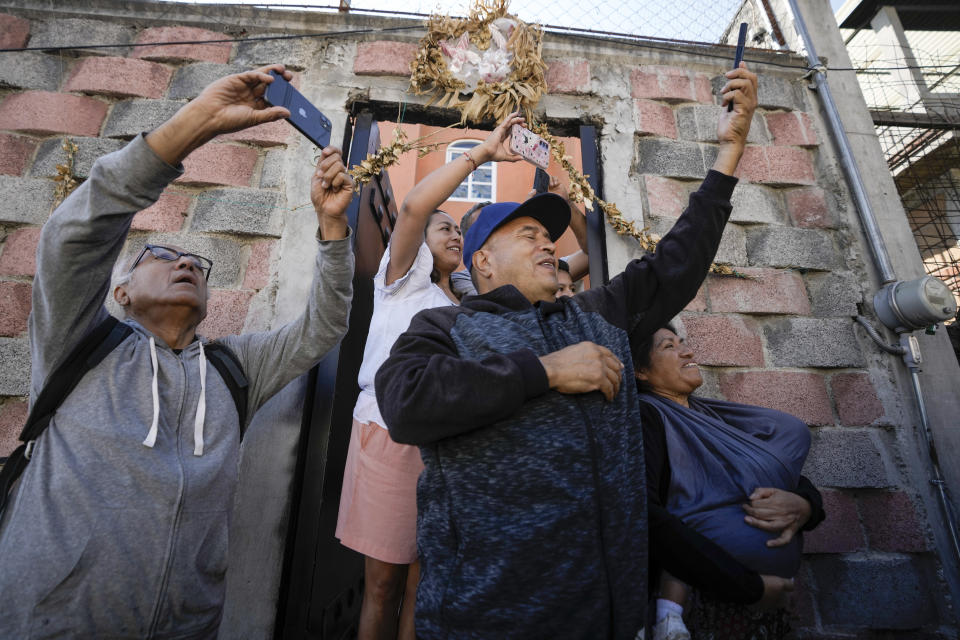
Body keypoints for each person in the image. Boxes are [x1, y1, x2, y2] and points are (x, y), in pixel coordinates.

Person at [375, 63, 761, 638]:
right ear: (481, 261)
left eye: (548, 236)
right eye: (527, 234)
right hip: (485, 620)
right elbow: (405, 402)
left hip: (606, 617)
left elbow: (676, 262)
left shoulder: (597, 314)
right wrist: (543, 371)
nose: (547, 243)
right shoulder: (444, 326)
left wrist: (729, 151)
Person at [0, 65, 356, 638]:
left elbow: (324, 326)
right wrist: (194, 125)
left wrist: (333, 229)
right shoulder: (82, 343)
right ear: (120, 293)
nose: (186, 262)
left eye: (197, 263)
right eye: (159, 256)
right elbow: (75, 236)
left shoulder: (233, 369)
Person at [336, 121, 528, 639]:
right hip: (388, 433)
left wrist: (572, 211)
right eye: (444, 227)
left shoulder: (464, 302)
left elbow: (562, 275)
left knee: (428, 581)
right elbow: (417, 206)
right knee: (382, 584)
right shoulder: (398, 282)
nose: (455, 234)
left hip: (447, 442)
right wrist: (483, 154)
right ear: (418, 241)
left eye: (458, 231)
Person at [634, 326, 825, 640]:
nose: (687, 352)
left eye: (684, 343)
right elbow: (645, 514)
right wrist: (749, 588)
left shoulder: (709, 417)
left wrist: (806, 505)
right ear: (641, 370)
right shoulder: (647, 419)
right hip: (706, 605)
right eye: (670, 346)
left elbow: (768, 468)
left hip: (762, 611)